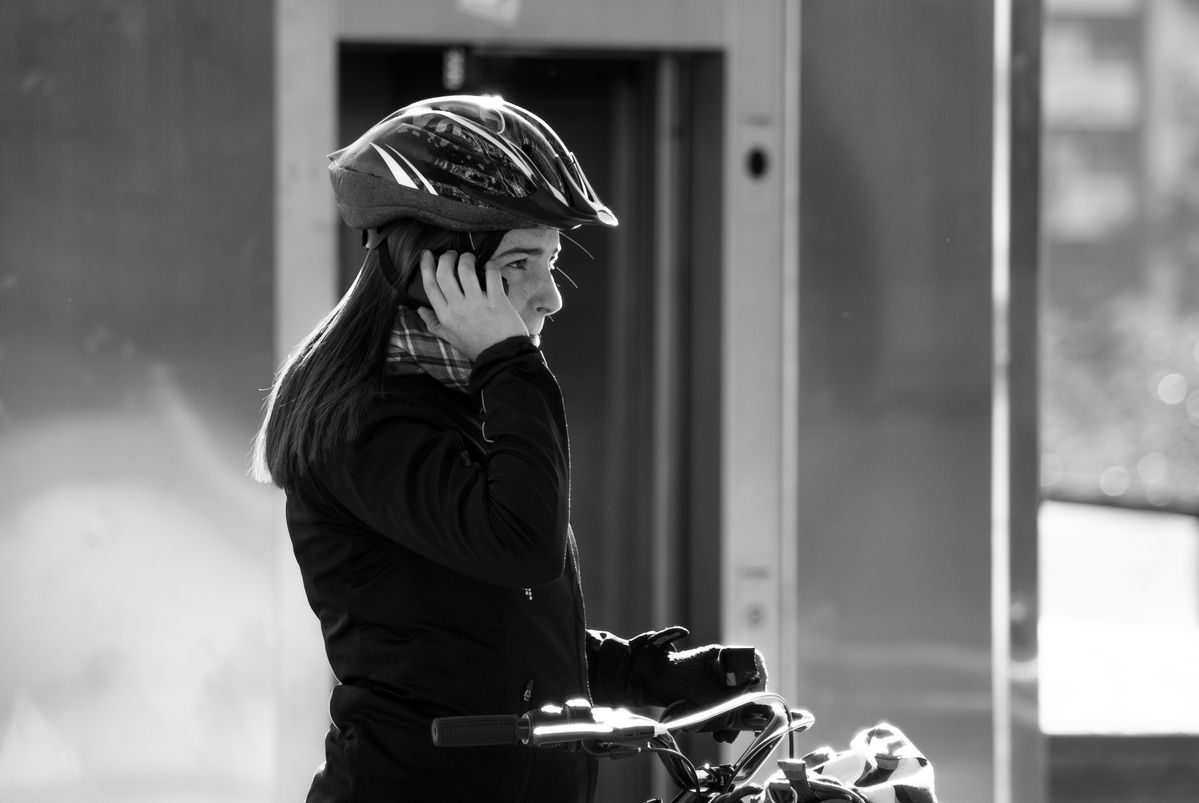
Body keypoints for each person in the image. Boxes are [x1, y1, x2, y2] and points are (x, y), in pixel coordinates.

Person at [252, 95, 766, 802]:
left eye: (551, 262)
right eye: (522, 262)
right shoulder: (364, 424)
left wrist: (657, 673)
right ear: (439, 272)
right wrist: (509, 359)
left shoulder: (459, 401)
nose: (550, 296)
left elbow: (491, 636)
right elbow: (521, 545)